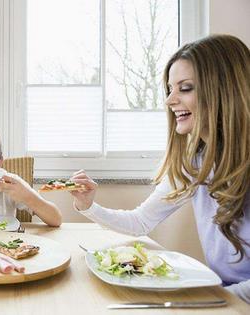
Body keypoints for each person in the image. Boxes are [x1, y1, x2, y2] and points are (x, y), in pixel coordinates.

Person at [68, 34, 249, 303]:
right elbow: (140, 221)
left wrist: (215, 299)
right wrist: (89, 206)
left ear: (224, 91)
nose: (169, 101)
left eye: (185, 88)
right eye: (170, 89)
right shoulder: (196, 164)